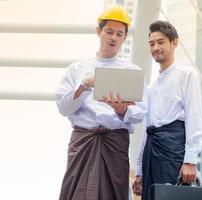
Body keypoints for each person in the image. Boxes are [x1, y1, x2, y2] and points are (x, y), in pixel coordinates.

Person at [55, 5, 146, 200]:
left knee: (114, 194)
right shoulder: (77, 69)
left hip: (115, 142)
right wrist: (84, 86)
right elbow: (63, 107)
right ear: (99, 32)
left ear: (125, 37)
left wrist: (122, 110)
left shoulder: (132, 71)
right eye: (109, 31)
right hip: (84, 141)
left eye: (119, 34)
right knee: (75, 192)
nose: (113, 37)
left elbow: (141, 112)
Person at [132, 20, 202, 200]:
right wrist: (139, 171)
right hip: (151, 149)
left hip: (174, 150)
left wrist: (190, 161)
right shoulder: (150, 87)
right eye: (151, 43)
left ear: (175, 42)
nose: (155, 47)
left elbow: (195, 117)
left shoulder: (187, 75)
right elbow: (146, 132)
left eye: (161, 42)